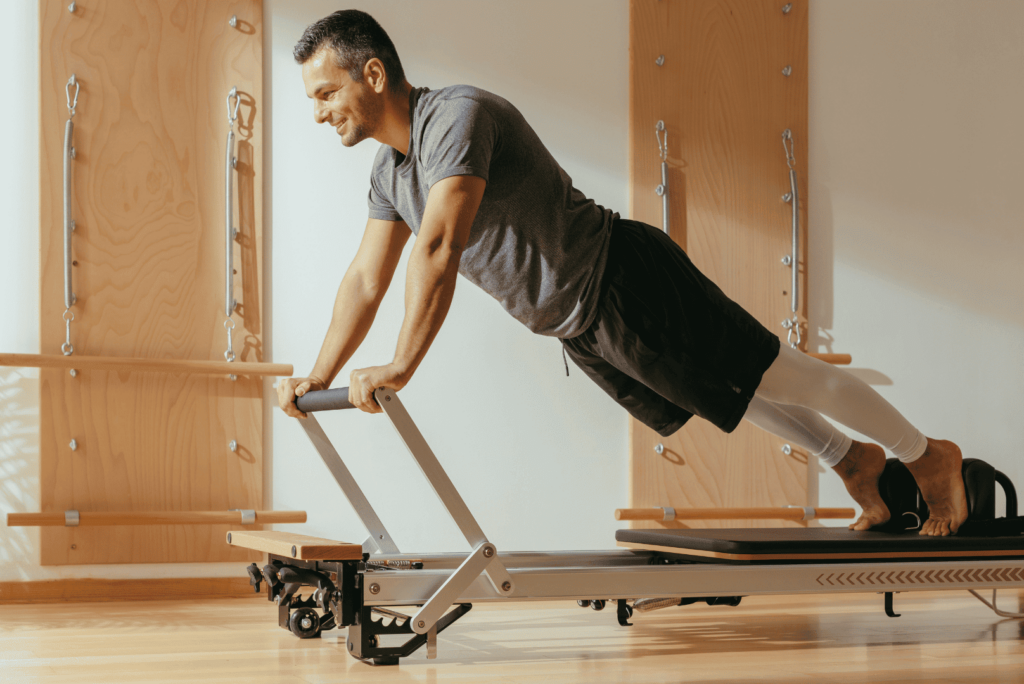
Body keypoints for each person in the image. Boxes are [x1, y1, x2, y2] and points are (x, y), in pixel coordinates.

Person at [276, 9, 968, 537]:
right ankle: (852, 459)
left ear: (372, 74)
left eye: (324, 92)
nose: (318, 112)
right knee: (724, 395)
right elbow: (366, 277)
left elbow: (440, 246)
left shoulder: (455, 117)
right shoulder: (390, 171)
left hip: (623, 279)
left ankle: (925, 453)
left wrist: (399, 365)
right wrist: (320, 373)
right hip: (583, 324)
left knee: (776, 370)